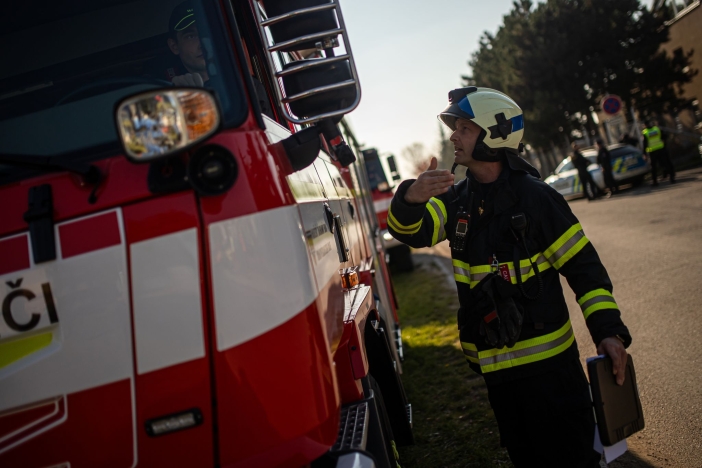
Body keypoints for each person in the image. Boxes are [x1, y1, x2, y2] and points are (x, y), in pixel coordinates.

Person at [387, 87, 631, 468]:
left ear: (493, 134)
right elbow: (411, 233)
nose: (453, 136)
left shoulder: (537, 198)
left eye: (464, 128)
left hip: (551, 374)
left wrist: (609, 332)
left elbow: (585, 270)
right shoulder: (456, 200)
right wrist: (410, 199)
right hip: (498, 375)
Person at [167, 0, 209, 86]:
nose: (203, 44)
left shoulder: (240, 71)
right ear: (174, 46)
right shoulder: (168, 91)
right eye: (191, 36)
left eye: (207, 32)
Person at [642, 120, 676, 186]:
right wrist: (664, 144)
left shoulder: (645, 132)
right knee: (666, 164)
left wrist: (644, 154)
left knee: (653, 167)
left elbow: (645, 144)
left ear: (645, 125)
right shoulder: (657, 129)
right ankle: (672, 178)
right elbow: (665, 136)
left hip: (653, 151)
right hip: (661, 149)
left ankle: (655, 182)